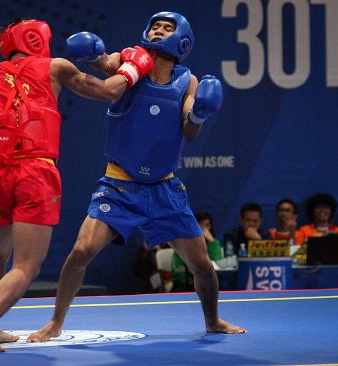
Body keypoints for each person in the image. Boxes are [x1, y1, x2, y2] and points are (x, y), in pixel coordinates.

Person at [27, 11, 247, 343]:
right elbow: (105, 65)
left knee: (202, 265)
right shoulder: (130, 60)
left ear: (182, 40)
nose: (158, 31)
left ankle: (213, 320)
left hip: (165, 189)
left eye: (166, 28)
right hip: (119, 185)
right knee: (81, 251)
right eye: (155, 26)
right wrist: (97, 56)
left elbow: (189, 131)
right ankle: (56, 322)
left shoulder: (187, 81)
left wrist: (200, 113)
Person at [0, 17, 154, 352]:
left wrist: (7, 152)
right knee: (27, 265)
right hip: (34, 173)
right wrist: (136, 68)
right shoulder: (54, 66)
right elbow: (109, 91)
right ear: (38, 40)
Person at [171, 211, 223, 292]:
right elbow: (177, 272)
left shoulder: (214, 244)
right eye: (199, 225)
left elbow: (217, 264)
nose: (203, 229)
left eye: (207, 225)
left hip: (208, 283)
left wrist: (212, 242)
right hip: (186, 285)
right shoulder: (183, 243)